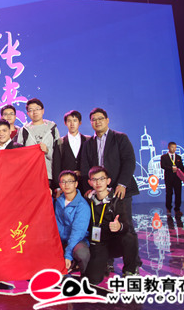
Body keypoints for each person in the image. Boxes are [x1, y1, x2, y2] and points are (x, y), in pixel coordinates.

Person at [80, 107, 140, 273]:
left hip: (120, 191)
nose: (97, 122)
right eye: (94, 119)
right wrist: (88, 188)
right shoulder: (88, 144)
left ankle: (133, 264)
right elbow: (85, 167)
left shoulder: (120, 138)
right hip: (98, 193)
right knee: (101, 226)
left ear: (107, 120)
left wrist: (122, 184)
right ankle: (107, 261)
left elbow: (129, 161)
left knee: (126, 227)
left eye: (100, 118)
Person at [85, 166, 139, 284]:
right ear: (90, 182)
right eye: (94, 179)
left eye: (102, 179)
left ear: (108, 181)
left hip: (115, 242)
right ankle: (104, 263)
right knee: (93, 279)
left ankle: (130, 270)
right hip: (98, 244)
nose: (98, 182)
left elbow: (126, 225)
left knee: (130, 238)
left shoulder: (116, 200)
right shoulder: (88, 200)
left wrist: (119, 226)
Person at [16, 99, 60, 187]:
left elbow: (58, 154)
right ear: (28, 113)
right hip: (30, 175)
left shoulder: (52, 128)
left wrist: (47, 151)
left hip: (48, 174)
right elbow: (19, 155)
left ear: (43, 110)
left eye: (37, 109)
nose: (34, 112)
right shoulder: (24, 130)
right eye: (31, 110)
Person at [54, 170, 90, 274]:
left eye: (70, 181)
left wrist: (68, 255)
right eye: (63, 182)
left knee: (81, 253)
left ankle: (84, 275)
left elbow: (77, 233)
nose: (66, 185)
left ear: (76, 184)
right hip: (61, 240)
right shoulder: (58, 201)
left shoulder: (82, 205)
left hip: (77, 240)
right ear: (60, 185)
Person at [52, 110, 89, 195]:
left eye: (75, 120)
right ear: (65, 123)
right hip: (66, 184)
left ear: (80, 123)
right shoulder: (60, 142)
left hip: (85, 184)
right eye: (69, 121)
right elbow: (56, 166)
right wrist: (58, 187)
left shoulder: (87, 140)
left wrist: (82, 172)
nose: (72, 124)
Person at [160, 142, 184, 217]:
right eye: (172, 147)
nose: (174, 149)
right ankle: (168, 208)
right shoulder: (164, 157)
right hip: (169, 177)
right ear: (168, 147)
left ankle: (177, 209)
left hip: (177, 178)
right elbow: (163, 166)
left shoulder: (178, 157)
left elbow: (182, 167)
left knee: (178, 193)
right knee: (169, 193)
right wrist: (171, 168)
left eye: (175, 147)